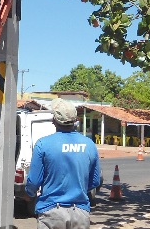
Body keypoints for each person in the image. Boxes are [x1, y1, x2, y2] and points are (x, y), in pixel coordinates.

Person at [26, 98, 100, 229]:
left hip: (51, 212)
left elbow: (34, 181)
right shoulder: (89, 145)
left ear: (54, 120)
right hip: (80, 213)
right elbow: (94, 182)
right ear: (75, 120)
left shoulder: (43, 144)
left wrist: (30, 194)